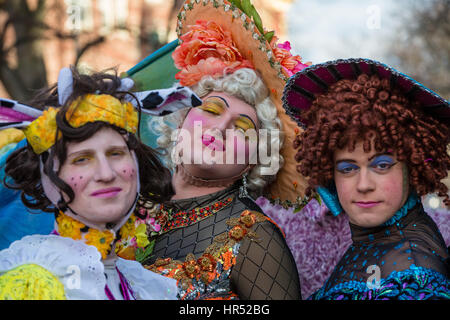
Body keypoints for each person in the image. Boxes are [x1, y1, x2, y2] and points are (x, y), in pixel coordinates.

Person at [135, 0, 311, 300]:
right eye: (213, 109)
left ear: (253, 160)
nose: (220, 128)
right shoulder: (130, 206)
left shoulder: (255, 237)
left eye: (242, 128)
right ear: (182, 119)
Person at [0, 66, 200, 299]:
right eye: (82, 159)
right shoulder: (31, 284)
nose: (106, 174)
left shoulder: (142, 284)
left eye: (116, 153)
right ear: (49, 179)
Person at [282, 58, 450, 299]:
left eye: (381, 165)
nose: (363, 185)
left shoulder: (412, 279)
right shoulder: (378, 241)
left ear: (413, 167)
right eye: (348, 168)